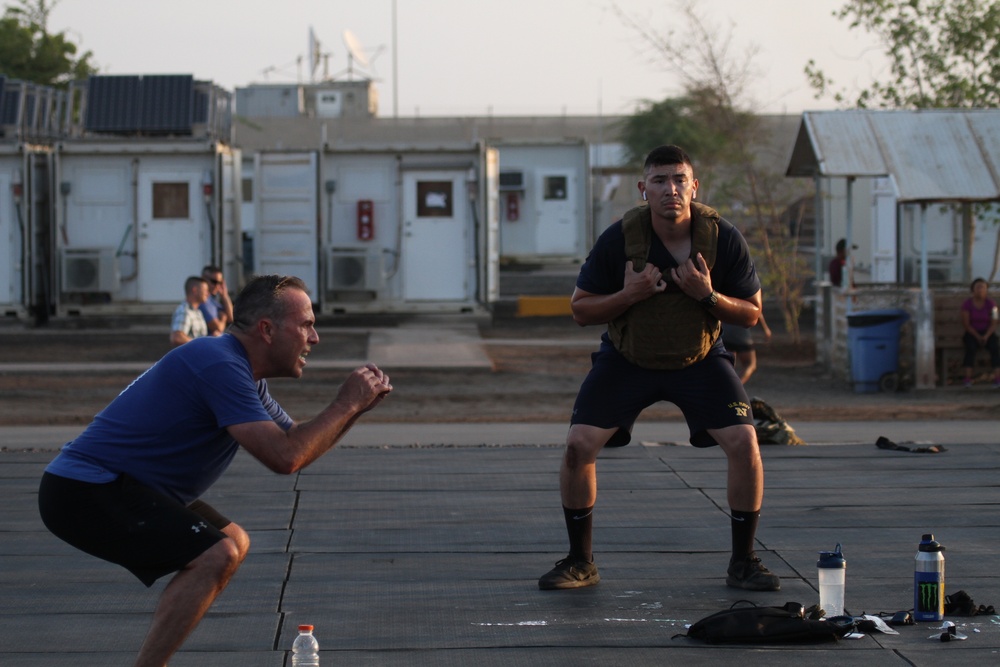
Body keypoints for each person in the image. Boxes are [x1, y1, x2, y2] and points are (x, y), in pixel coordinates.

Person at [38, 274, 392, 666]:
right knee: (215, 554)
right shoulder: (219, 364)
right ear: (267, 330)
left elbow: (297, 444)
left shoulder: (242, 374)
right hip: (84, 489)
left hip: (122, 486)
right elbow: (284, 457)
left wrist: (354, 410)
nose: (315, 337)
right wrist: (344, 404)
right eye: (307, 324)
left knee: (233, 542)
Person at [538, 145, 780, 593]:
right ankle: (579, 561)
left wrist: (706, 295)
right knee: (577, 445)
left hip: (700, 359)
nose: (671, 189)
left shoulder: (722, 237)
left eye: (679, 179)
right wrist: (629, 295)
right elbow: (581, 311)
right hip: (628, 359)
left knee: (746, 442)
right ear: (643, 189)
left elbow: (751, 314)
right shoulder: (619, 239)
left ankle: (744, 561)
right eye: (659, 180)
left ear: (694, 186)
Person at [960, 277, 1000, 388]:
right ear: (973, 289)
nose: (980, 289)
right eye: (978, 287)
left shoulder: (992, 304)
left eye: (983, 287)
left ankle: (997, 378)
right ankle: (968, 379)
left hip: (988, 333)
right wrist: (978, 336)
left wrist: (986, 336)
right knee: (970, 348)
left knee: (995, 348)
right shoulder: (967, 304)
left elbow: (994, 322)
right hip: (972, 333)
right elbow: (966, 324)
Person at [722, 310, 772, 384]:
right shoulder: (745, 297)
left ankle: (726, 386)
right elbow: (758, 313)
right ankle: (736, 386)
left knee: (729, 365)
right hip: (741, 333)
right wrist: (765, 329)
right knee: (750, 364)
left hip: (725, 332)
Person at [170, 275, 210, 346]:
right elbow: (177, 337)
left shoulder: (198, 312)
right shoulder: (184, 311)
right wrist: (200, 344)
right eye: (205, 290)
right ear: (195, 290)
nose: (208, 294)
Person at [200, 265, 234, 336]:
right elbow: (217, 328)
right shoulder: (202, 301)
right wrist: (223, 318)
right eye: (214, 282)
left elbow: (231, 317)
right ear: (203, 279)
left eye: (220, 283)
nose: (217, 286)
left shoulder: (212, 300)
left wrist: (224, 296)